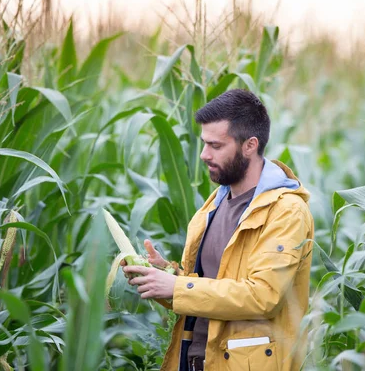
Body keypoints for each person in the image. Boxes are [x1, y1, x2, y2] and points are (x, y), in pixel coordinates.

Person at [123, 89, 314, 371]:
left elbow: (263, 297)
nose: (203, 154)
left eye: (216, 146)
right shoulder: (216, 201)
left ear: (250, 145)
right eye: (204, 143)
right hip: (192, 360)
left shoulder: (286, 211)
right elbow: (203, 285)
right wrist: (164, 277)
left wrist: (177, 287)